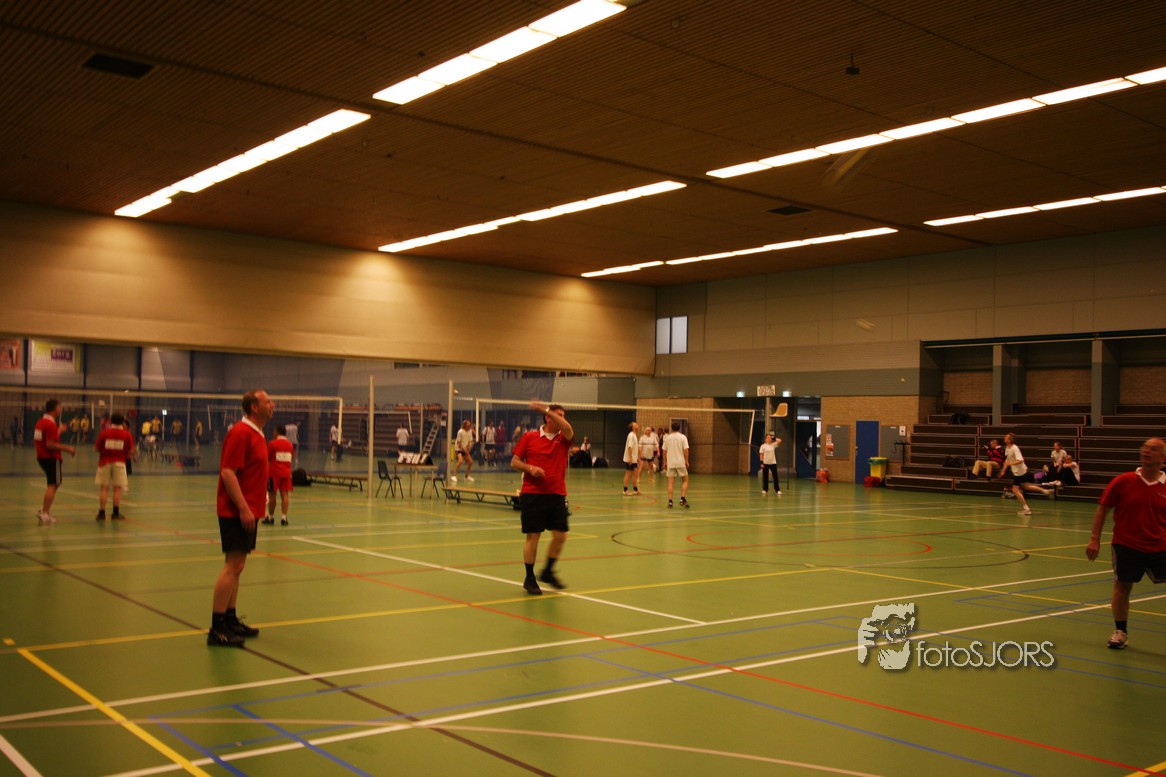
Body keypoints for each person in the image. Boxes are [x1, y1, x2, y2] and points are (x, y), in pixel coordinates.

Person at [1085, 438, 1166, 650]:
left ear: (1162, 458)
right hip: (1127, 545)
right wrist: (1094, 539)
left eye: (1153, 449)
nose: (1146, 451)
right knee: (1122, 586)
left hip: (1160, 546)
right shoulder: (1123, 481)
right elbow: (1103, 508)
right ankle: (1120, 631)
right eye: (1144, 447)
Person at [209, 389, 274, 647]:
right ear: (254, 407)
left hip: (250, 510)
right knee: (232, 566)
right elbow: (228, 473)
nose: (272, 404)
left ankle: (230, 618)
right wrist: (244, 508)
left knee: (238, 566)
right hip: (235, 511)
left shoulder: (257, 434)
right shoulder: (240, 433)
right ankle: (217, 628)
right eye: (267, 401)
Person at [511, 401, 574, 595]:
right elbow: (515, 462)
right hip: (533, 494)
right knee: (533, 537)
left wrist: (546, 409)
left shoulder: (564, 438)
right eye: (559, 415)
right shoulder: (529, 437)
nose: (562, 419)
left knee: (561, 536)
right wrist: (530, 468)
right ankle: (529, 577)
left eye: (563, 416)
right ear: (548, 418)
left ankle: (547, 571)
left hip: (556, 494)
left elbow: (568, 428)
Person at [33, 399, 76, 525]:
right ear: (55, 409)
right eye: (59, 407)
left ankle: (45, 510)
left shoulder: (41, 422)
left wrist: (59, 431)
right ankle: (44, 513)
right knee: (53, 484)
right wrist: (68, 448)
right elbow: (50, 444)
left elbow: (46, 439)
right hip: (51, 458)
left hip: (42, 457)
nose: (60, 409)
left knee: (55, 484)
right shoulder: (50, 424)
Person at [996, 433, 1054, 516]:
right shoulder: (1007, 448)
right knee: (1026, 486)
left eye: (1006, 437)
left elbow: (1020, 460)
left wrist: (1010, 464)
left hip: (1019, 472)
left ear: (1010, 440)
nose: (1004, 437)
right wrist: (1003, 470)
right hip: (1021, 471)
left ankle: (1026, 509)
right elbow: (1007, 460)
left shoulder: (1015, 448)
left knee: (1015, 490)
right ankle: (1044, 490)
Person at [94, 412, 134, 521]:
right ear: (122, 422)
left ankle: (101, 513)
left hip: (104, 462)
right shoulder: (127, 435)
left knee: (104, 488)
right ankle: (115, 514)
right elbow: (131, 451)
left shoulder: (104, 433)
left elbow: (96, 449)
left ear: (111, 421)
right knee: (117, 488)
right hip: (120, 463)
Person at [265, 424, 294, 526]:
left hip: (273, 473)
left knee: (272, 494)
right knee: (285, 495)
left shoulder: (273, 443)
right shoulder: (290, 445)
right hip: (286, 473)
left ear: (277, 432)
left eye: (274, 430)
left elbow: (267, 457)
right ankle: (284, 518)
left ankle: (270, 517)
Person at [662, 421, 691, 508]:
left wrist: (665, 462)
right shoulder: (683, 437)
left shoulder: (667, 438)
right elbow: (686, 450)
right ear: (679, 428)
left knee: (670, 483)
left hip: (671, 463)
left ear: (671, 428)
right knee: (685, 480)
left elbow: (664, 451)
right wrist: (686, 461)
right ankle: (682, 499)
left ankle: (670, 502)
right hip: (680, 462)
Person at [622, 421, 641, 496]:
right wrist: (630, 458)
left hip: (633, 459)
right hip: (630, 459)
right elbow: (630, 447)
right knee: (628, 473)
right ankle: (625, 490)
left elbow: (634, 448)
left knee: (635, 473)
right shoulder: (631, 435)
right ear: (632, 427)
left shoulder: (634, 435)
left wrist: (636, 458)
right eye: (635, 424)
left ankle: (635, 490)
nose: (637, 425)